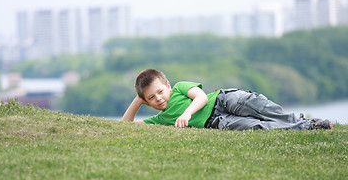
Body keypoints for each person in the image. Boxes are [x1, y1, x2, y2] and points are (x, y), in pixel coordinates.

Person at [121, 69, 333, 131]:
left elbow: (202, 97)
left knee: (262, 108)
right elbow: (125, 126)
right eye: (151, 98)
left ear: (167, 86)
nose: (158, 98)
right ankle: (307, 127)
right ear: (147, 102)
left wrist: (187, 113)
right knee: (257, 126)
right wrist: (138, 100)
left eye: (160, 91)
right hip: (218, 122)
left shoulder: (178, 88)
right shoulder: (160, 120)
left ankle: (304, 120)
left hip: (224, 100)